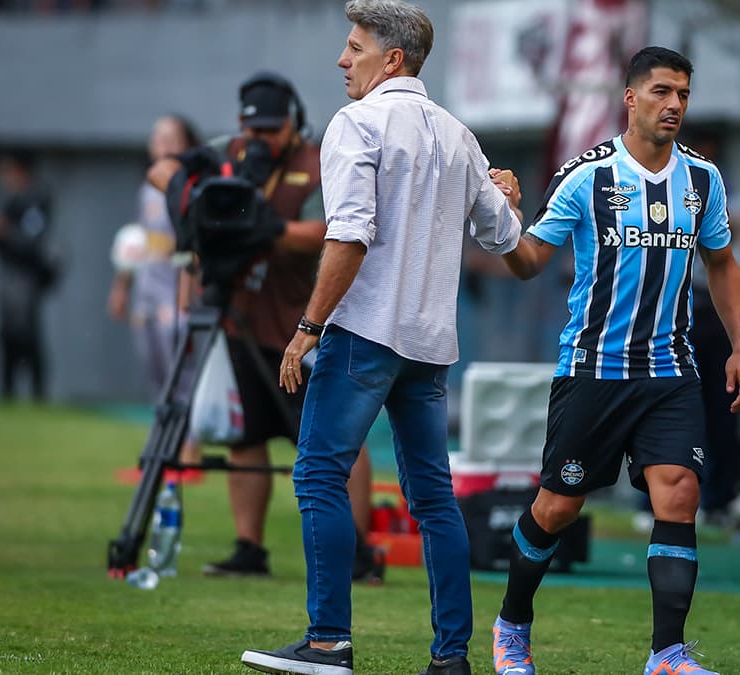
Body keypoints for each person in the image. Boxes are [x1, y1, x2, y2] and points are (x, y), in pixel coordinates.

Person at [241, 2, 524, 673]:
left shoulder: (355, 123)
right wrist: (509, 196)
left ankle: (327, 641)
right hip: (429, 346)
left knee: (316, 476)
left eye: (355, 46)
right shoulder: (459, 134)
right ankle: (451, 658)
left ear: (391, 58)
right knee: (433, 500)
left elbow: (349, 235)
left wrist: (305, 328)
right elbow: (505, 238)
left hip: (364, 334)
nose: (343, 59)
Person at [488, 47, 740, 675]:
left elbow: (721, 263)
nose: (675, 105)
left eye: (684, 94)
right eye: (662, 92)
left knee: (679, 491)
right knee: (557, 506)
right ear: (630, 98)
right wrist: (500, 219)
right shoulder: (586, 176)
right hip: (593, 370)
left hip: (670, 371)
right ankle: (511, 626)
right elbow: (529, 263)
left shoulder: (703, 180)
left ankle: (667, 654)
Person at [147, 72, 382, 581]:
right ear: (241, 126)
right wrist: (192, 197)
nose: (262, 141)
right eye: (256, 131)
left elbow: (334, 230)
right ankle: (248, 548)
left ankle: (359, 553)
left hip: (305, 324)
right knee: (244, 437)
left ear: (294, 125)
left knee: (337, 440)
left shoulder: (318, 160)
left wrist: (269, 229)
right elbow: (162, 171)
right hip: (241, 320)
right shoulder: (225, 151)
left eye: (273, 130)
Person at [110, 115, 205, 483]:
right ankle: (163, 448)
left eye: (171, 138)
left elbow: (191, 247)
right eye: (157, 137)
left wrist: (185, 296)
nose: (162, 144)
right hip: (146, 292)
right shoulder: (148, 188)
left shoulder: (187, 187)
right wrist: (121, 288)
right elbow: (136, 241)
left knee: (180, 370)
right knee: (154, 370)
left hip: (173, 292)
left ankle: (190, 449)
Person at [0, 149, 59, 400]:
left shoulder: (35, 199)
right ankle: (7, 393)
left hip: (26, 275)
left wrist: (2, 231)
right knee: (8, 336)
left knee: (26, 335)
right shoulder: (7, 198)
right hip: (9, 273)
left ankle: (37, 393)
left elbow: (32, 240)